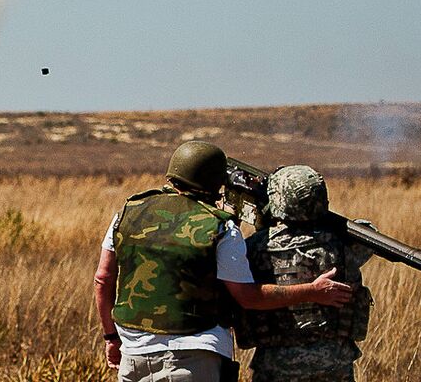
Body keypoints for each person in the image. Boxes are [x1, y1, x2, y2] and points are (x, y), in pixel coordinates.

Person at [94, 141, 355, 381]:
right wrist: (312, 291)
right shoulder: (221, 227)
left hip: (133, 354)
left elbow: (103, 279)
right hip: (193, 358)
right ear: (216, 183)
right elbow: (248, 297)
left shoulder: (127, 213)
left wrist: (111, 337)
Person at [236, 165, 375, 381]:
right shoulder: (346, 245)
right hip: (334, 362)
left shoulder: (255, 247)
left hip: (275, 364)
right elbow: (368, 231)